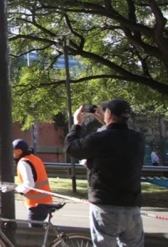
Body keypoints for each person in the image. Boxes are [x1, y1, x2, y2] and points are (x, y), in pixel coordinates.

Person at [65, 99, 145, 247]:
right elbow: (119, 140)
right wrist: (107, 123)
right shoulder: (138, 139)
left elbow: (72, 148)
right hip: (132, 206)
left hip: (106, 206)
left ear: (109, 113)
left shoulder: (101, 139)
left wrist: (77, 124)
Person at [12, 139, 53, 227]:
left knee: (35, 234)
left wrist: (17, 189)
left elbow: (29, 184)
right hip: (45, 201)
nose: (11, 154)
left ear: (19, 151)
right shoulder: (35, 158)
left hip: (36, 205)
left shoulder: (23, 162)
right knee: (39, 232)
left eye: (12, 151)